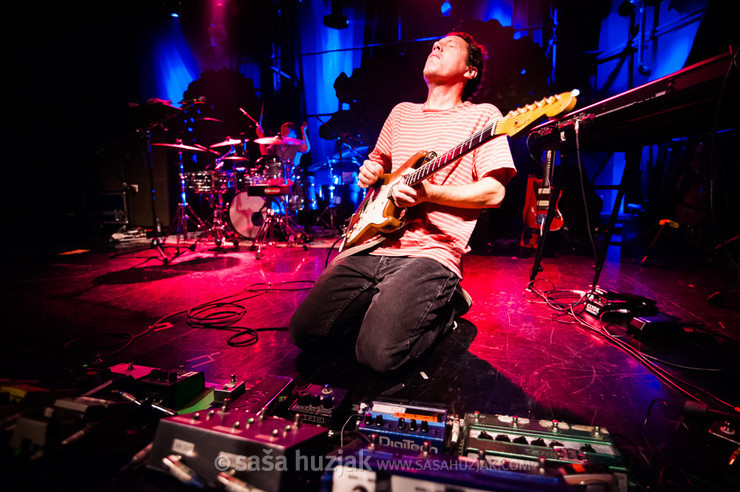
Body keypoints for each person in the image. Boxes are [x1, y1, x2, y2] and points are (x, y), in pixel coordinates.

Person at [289, 32, 516, 374]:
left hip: (430, 252)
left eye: (449, 45)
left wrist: (430, 194)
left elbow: (494, 193)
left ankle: (446, 308)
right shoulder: (401, 114)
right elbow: (378, 162)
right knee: (304, 332)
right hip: (374, 242)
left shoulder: (484, 117)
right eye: (435, 43)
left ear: (470, 71)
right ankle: (390, 304)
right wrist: (371, 171)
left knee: (379, 355)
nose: (436, 46)